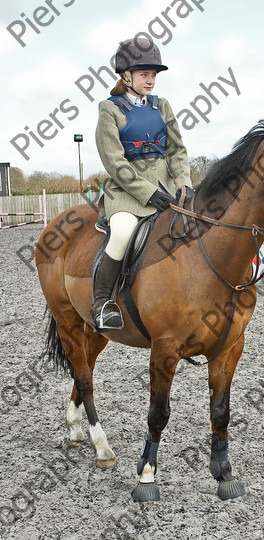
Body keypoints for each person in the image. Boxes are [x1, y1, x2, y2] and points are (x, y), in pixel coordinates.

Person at [93, 38, 192, 331]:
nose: (150, 80)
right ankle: (102, 304)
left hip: (168, 187)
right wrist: (148, 193)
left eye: (153, 74)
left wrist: (184, 182)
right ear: (126, 75)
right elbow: (115, 163)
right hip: (127, 195)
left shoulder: (163, 106)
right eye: (144, 74)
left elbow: (177, 151)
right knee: (122, 232)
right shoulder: (109, 109)